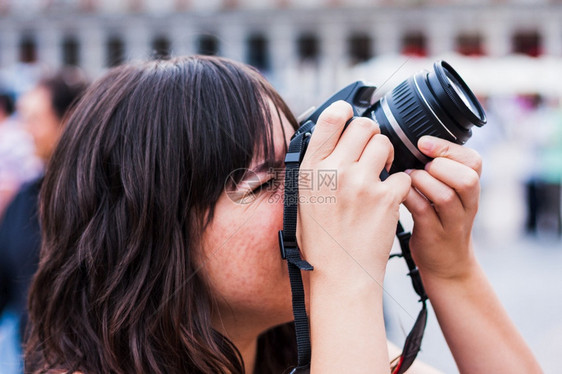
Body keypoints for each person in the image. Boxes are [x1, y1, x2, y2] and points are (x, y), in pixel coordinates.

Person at [25, 56, 541, 373]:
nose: (310, 194)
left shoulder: (301, 351)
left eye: (301, 157)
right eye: (271, 181)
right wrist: (341, 279)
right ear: (151, 230)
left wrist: (452, 272)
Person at [0, 68, 88, 369]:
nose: (25, 130)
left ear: (70, 119)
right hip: (32, 361)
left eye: (35, 119)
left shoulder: (101, 200)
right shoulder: (26, 197)